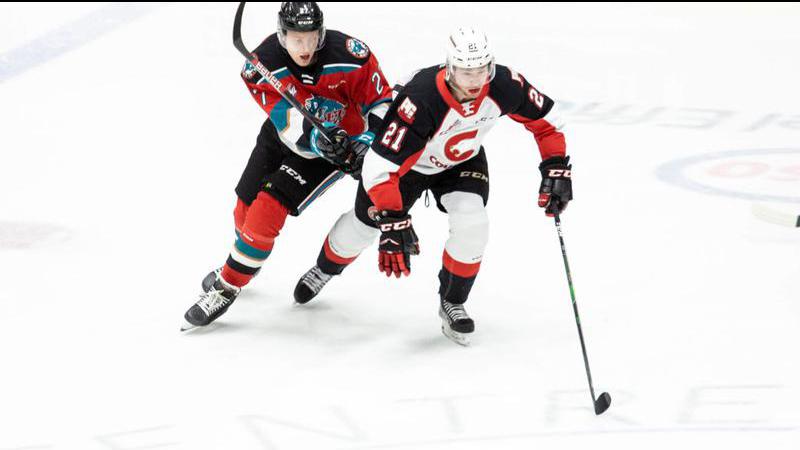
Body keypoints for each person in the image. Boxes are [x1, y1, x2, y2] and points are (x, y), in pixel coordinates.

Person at [293, 27, 572, 345]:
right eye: (466, 72)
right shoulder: (421, 99)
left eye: (481, 70)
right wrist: (391, 217)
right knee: (362, 227)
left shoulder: (505, 84)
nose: (474, 81)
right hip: (406, 168)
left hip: (461, 162)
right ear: (450, 68)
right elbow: (379, 166)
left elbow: (548, 121)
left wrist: (556, 166)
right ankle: (325, 268)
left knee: (473, 222)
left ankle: (453, 301)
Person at [181, 2, 392, 331]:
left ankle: (227, 286)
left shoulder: (351, 56)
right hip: (282, 136)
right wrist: (315, 136)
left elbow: (381, 102)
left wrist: (365, 141)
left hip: (332, 152)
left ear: (321, 32)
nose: (305, 46)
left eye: (312, 37)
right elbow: (284, 117)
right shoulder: (260, 64)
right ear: (282, 35)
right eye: (297, 39)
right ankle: (246, 257)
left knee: (267, 209)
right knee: (244, 210)